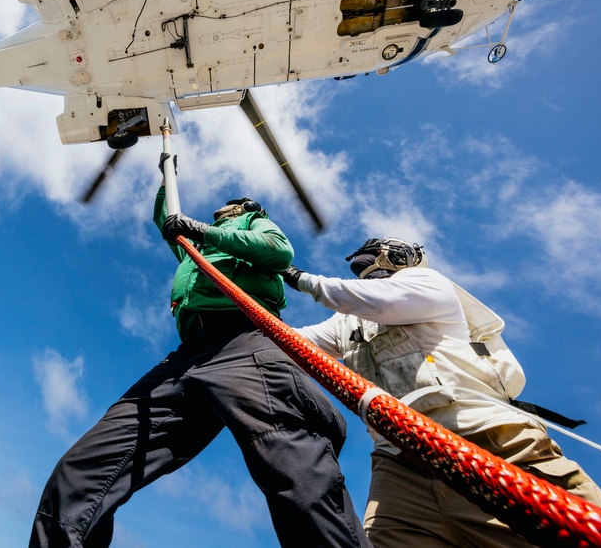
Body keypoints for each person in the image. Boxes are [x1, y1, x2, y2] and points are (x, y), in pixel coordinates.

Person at [29, 158, 371, 548]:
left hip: (246, 341)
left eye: (231, 205)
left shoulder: (249, 224)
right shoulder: (200, 249)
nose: (222, 207)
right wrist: (165, 174)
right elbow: (167, 219)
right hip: (186, 357)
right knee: (80, 472)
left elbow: (279, 250)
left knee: (297, 476)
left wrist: (205, 231)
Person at [282, 237, 601, 548]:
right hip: (400, 463)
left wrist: (295, 275)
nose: (364, 262)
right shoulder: (348, 321)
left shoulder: (425, 282)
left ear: (402, 256)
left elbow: (376, 300)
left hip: (485, 438)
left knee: (583, 537)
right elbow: (291, 341)